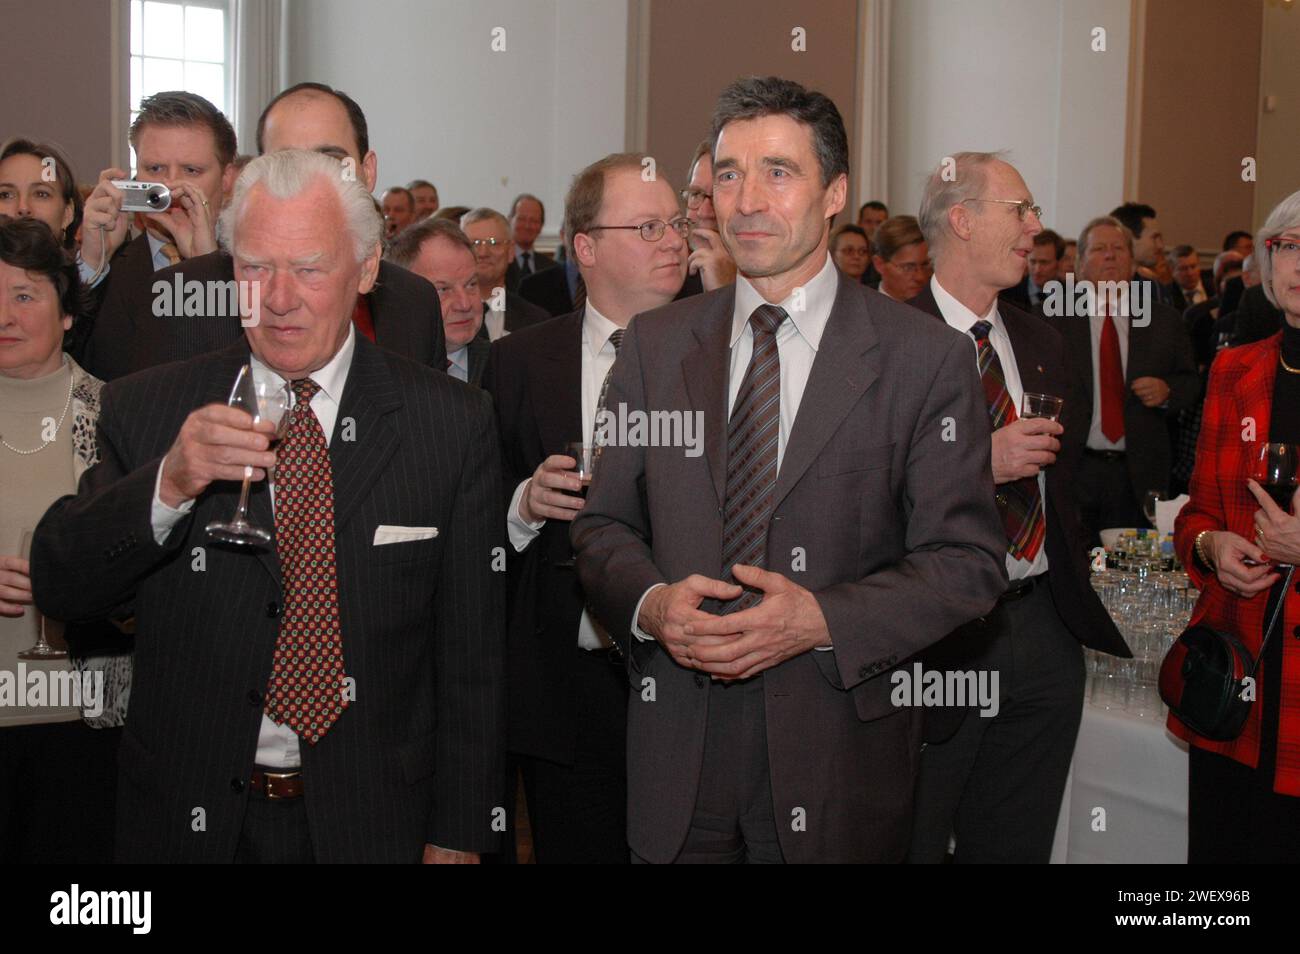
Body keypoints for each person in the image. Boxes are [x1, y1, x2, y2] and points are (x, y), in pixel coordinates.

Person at [570, 76, 1007, 864]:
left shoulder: (924, 359)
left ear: (835, 191)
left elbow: (967, 565)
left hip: (837, 754)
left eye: (779, 171)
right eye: (728, 174)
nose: (746, 200)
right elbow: (603, 525)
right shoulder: (655, 347)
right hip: (678, 754)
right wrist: (655, 604)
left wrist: (820, 620)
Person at [31, 149, 505, 864]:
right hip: (189, 819)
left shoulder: (450, 423)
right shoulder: (151, 406)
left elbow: (471, 657)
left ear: (367, 270)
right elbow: (64, 581)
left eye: (310, 269)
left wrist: (459, 833)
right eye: (254, 269)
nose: (278, 298)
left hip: (375, 820)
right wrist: (168, 484)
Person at [903, 153, 1129, 863]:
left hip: (1041, 630)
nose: (1037, 227)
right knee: (907, 837)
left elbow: (1066, 490)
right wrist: (978, 462)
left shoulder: (1040, 341)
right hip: (931, 636)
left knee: (1014, 845)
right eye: (1021, 210)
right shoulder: (881, 342)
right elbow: (852, 495)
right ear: (962, 219)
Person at [482, 151, 689, 864]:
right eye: (650, 226)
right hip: (563, 685)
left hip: (690, 678)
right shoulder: (518, 362)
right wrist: (524, 503)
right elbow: (472, 512)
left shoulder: (727, 358)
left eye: (677, 224)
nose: (675, 241)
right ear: (587, 248)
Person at [106, 82, 446, 375]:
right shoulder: (189, 294)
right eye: (287, 163)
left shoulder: (415, 303)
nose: (310, 182)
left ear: (367, 170)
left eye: (329, 160)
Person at [1171, 188, 1300, 862]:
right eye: (1290, 245)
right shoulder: (1234, 369)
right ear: (1267, 262)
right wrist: (1209, 544)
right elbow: (1196, 512)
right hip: (1237, 680)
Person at [0, 217, 123, 864]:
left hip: (87, 728)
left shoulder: (118, 415)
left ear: (68, 311)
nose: (5, 315)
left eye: (24, 295)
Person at [1051, 215, 1197, 543]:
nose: (1110, 256)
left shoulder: (1163, 320)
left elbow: (1192, 383)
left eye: (1118, 249)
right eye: (1099, 249)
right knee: (1072, 569)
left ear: (1132, 263)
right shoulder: (1053, 321)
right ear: (1080, 263)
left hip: (1139, 474)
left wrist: (1168, 391)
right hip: (1073, 468)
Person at [80, 91, 238, 381]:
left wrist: (206, 264)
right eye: (154, 168)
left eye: (191, 170)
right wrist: (93, 261)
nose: (170, 185)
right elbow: (61, 362)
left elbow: (247, 371)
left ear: (227, 178)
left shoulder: (253, 266)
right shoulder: (110, 267)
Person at [386, 218, 491, 385]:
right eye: (443, 290)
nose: (464, 304)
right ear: (401, 294)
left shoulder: (508, 367)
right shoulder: (380, 370)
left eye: (471, 284)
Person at [459, 207, 549, 340]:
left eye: (494, 243)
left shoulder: (537, 322)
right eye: (474, 243)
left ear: (511, 252)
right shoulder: (442, 315)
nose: (483, 253)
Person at [682, 138, 735, 291]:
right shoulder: (669, 280)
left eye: (717, 197)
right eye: (696, 194)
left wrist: (726, 291)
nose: (703, 213)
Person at [871, 215, 930, 301]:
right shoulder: (858, 305)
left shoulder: (939, 306)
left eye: (925, 265)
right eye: (908, 268)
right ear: (879, 264)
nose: (920, 277)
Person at [507, 193, 555, 289]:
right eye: (521, 219)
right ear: (509, 220)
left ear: (541, 226)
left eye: (534, 221)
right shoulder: (500, 264)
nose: (527, 226)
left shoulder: (551, 268)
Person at [1026, 229, 1064, 309]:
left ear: (1059, 263)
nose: (1037, 269)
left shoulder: (1071, 295)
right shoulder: (1008, 294)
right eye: (1033, 262)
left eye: (1044, 262)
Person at [857, 200, 888, 286]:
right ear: (859, 223)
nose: (874, 227)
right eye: (868, 222)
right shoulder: (851, 253)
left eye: (879, 222)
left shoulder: (891, 255)